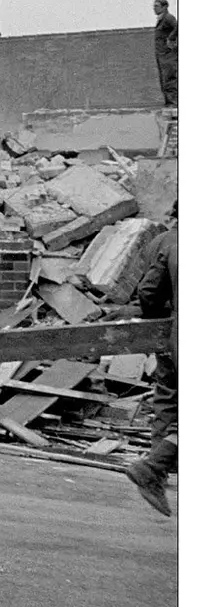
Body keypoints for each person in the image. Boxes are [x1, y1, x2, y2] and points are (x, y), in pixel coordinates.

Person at [124, 220, 177, 516]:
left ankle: (159, 469)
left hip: (171, 331)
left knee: (168, 398)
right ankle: (154, 467)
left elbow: (149, 291)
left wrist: (162, 324)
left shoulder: (163, 241)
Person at [152, 0, 177, 106]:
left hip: (168, 54)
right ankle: (168, 102)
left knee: (169, 78)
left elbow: (178, 27)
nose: (154, 8)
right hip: (161, 54)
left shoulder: (168, 18)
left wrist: (171, 38)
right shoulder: (161, 19)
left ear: (165, 7)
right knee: (164, 79)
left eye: (157, 6)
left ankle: (173, 102)